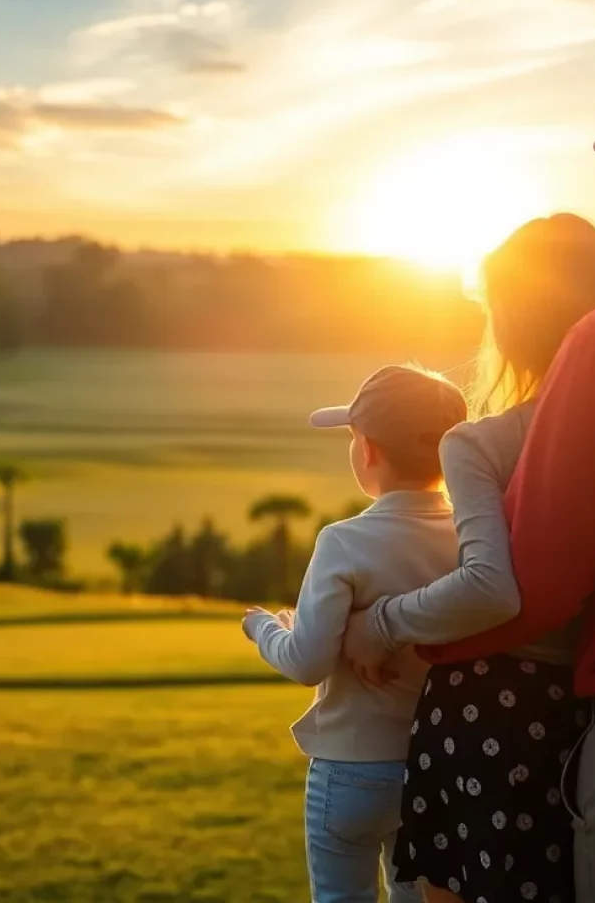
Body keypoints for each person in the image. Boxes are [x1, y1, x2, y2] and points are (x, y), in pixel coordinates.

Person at [341, 214, 595, 903]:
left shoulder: (482, 442)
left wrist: (382, 622)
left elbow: (489, 586)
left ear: (508, 319)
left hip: (488, 718)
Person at [242, 364, 467, 903]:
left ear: (368, 451)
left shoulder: (343, 541)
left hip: (350, 769)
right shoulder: (472, 536)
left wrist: (264, 628)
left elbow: (306, 662)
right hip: (436, 767)